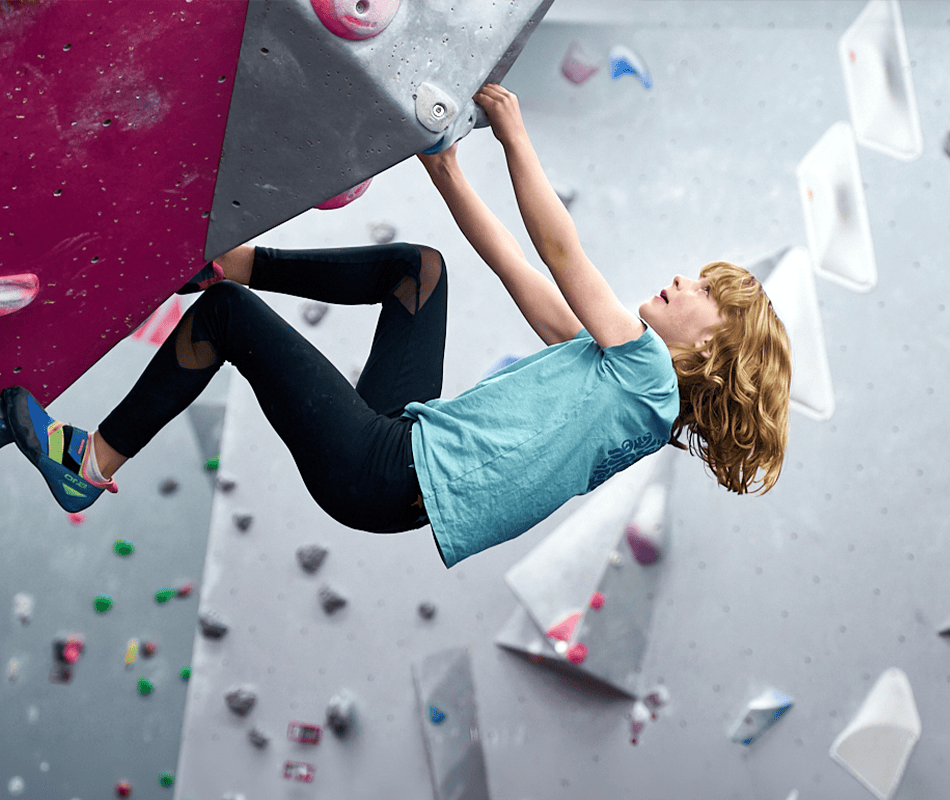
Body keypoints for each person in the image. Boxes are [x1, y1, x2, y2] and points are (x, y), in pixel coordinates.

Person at [0, 84, 791, 568]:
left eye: (705, 290)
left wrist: (515, 136)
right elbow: (519, 269)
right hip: (398, 459)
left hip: (386, 469)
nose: (685, 279)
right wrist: (444, 170)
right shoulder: (628, 395)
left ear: (713, 347)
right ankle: (227, 261)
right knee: (422, 271)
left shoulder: (649, 372)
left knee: (227, 324)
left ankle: (90, 460)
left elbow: (559, 247)